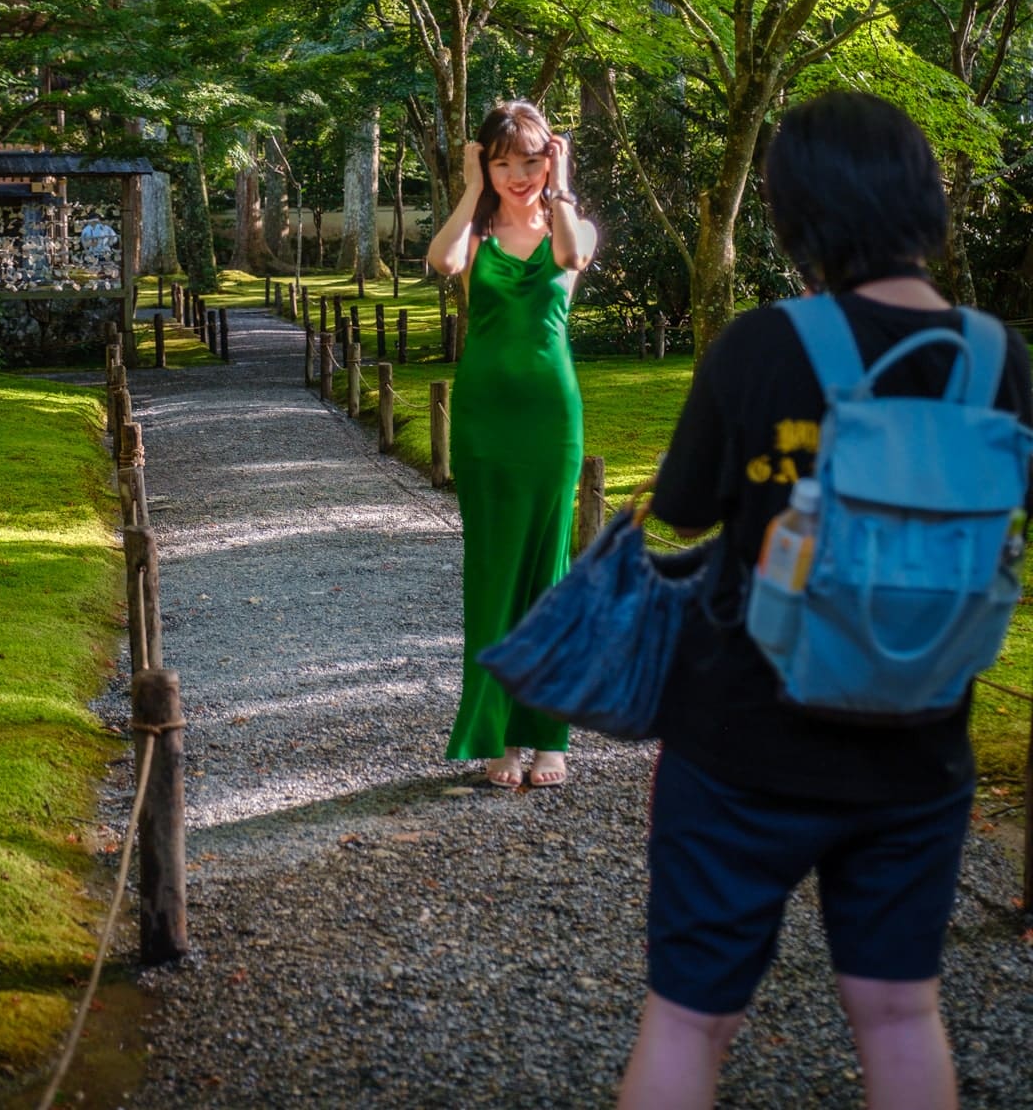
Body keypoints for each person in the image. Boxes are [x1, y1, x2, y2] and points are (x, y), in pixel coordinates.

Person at [621, 90, 1033, 1110]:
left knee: (689, 1018)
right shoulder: (998, 360)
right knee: (900, 1014)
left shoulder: (761, 346)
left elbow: (683, 515)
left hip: (742, 744)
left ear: (795, 212)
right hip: (922, 745)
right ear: (922, 199)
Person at [428, 100, 598, 789]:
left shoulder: (572, 225)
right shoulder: (476, 236)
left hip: (550, 421)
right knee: (493, 575)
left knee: (548, 576)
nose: (518, 174)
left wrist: (558, 189)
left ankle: (548, 737)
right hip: (483, 422)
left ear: (550, 160)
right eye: (504, 163)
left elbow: (571, 254)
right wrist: (470, 187)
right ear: (486, 164)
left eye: (531, 160)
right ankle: (499, 736)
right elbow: (442, 261)